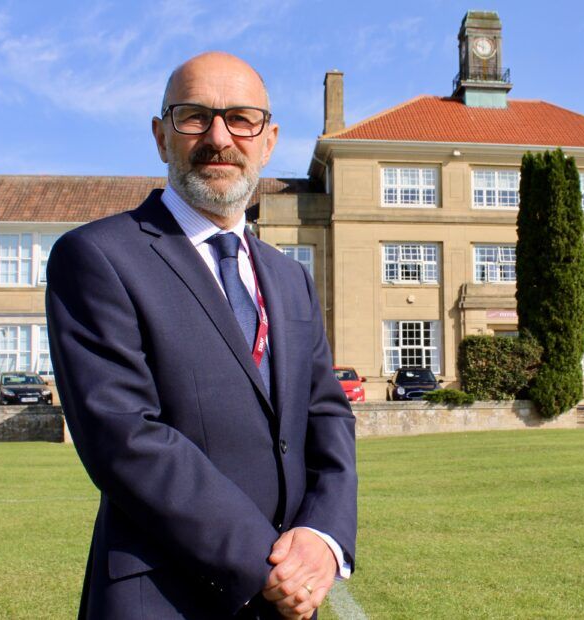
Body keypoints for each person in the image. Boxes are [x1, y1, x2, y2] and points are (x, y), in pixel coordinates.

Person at [46, 51, 357, 619]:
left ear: (268, 140)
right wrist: (268, 564)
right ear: (161, 136)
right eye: (194, 116)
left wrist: (324, 536)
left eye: (242, 118)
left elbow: (326, 416)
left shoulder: (290, 279)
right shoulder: (96, 257)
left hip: (288, 595)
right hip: (161, 596)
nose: (219, 137)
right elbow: (125, 437)